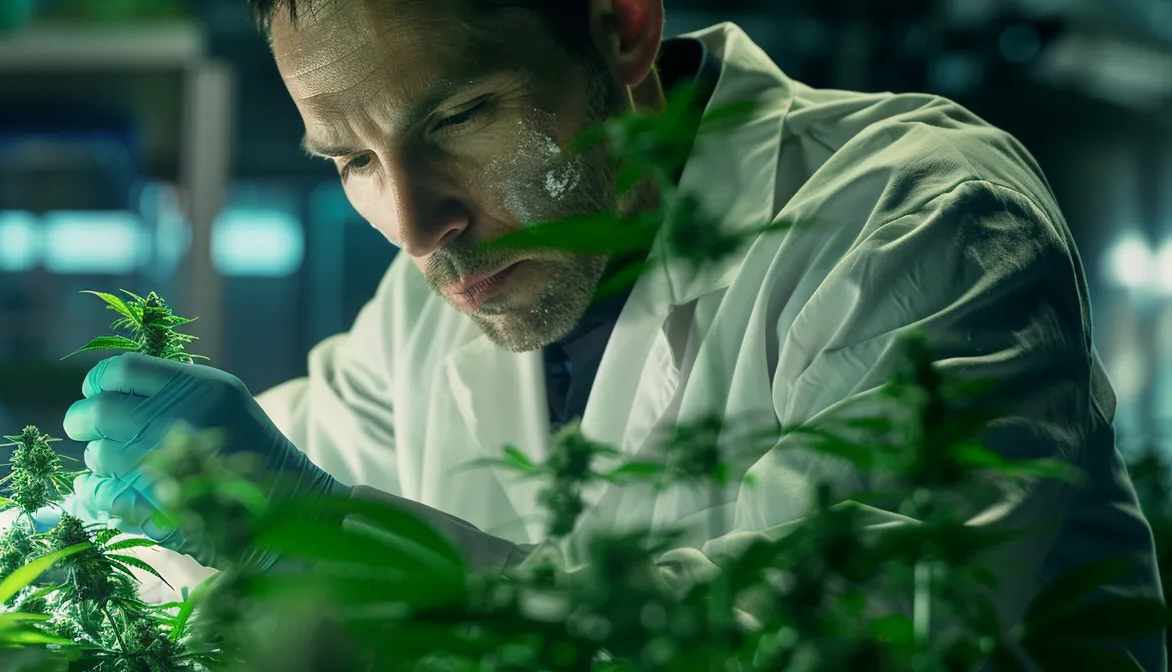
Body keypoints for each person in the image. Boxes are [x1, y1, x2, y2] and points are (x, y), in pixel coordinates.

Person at [59, 0, 1166, 666]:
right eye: (349, 161)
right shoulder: (423, 308)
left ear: (621, 27)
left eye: (455, 117)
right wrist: (50, 542)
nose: (412, 225)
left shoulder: (910, 218)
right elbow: (234, 504)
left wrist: (337, 542)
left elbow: (851, 639)